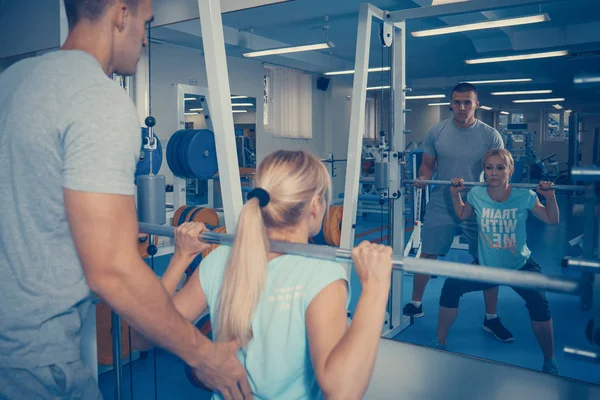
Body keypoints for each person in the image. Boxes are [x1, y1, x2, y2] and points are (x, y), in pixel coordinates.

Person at [0, 1, 251, 398]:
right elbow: (113, 271)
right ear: (120, 14)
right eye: (145, 23)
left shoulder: (12, 80)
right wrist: (204, 355)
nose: (145, 39)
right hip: (35, 362)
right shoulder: (99, 100)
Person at [132, 150, 395, 399]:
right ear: (315, 205)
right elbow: (342, 392)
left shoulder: (220, 259)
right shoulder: (322, 274)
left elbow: (142, 338)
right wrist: (375, 289)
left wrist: (181, 258)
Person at [430, 149, 560, 375]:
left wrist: (551, 198)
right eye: (489, 167)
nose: (494, 173)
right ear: (484, 171)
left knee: (540, 304)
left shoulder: (525, 196)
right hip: (486, 267)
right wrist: (454, 194)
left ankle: (549, 359)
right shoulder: (477, 194)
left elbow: (551, 219)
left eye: (500, 167)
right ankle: (440, 343)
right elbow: (462, 214)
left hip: (520, 266)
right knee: (451, 287)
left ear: (510, 170)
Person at [403, 82, 514, 343]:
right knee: (427, 253)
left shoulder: (490, 135)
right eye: (457, 102)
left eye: (467, 102)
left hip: (478, 203)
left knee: (488, 260)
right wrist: (422, 177)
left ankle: (491, 317)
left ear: (477, 104)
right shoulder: (436, 131)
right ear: (450, 104)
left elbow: (500, 170)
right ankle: (416, 303)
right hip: (442, 202)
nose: (461, 107)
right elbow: (428, 165)